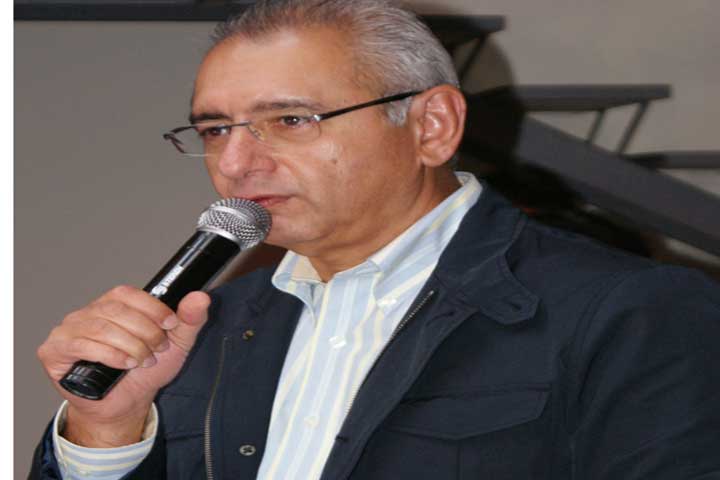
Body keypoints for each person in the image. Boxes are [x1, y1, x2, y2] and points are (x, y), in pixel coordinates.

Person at [30, 1, 720, 479]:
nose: (235, 164)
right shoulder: (205, 325)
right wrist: (107, 430)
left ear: (431, 127)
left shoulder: (630, 311)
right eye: (215, 130)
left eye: (290, 120)